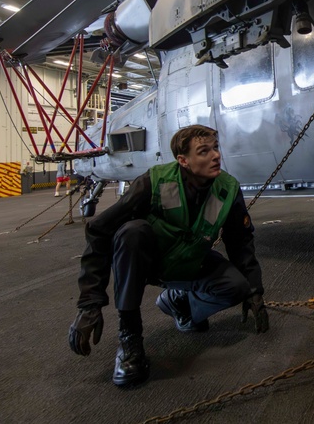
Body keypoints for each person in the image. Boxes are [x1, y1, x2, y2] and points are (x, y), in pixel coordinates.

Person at [68, 125, 268, 388]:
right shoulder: (155, 181)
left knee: (236, 286)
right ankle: (130, 339)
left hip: (190, 262)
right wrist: (89, 304)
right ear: (183, 160)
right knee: (132, 232)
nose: (215, 156)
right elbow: (99, 230)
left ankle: (180, 304)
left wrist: (254, 289)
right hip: (148, 263)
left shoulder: (227, 188)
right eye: (204, 151)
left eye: (215, 148)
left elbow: (240, 241)